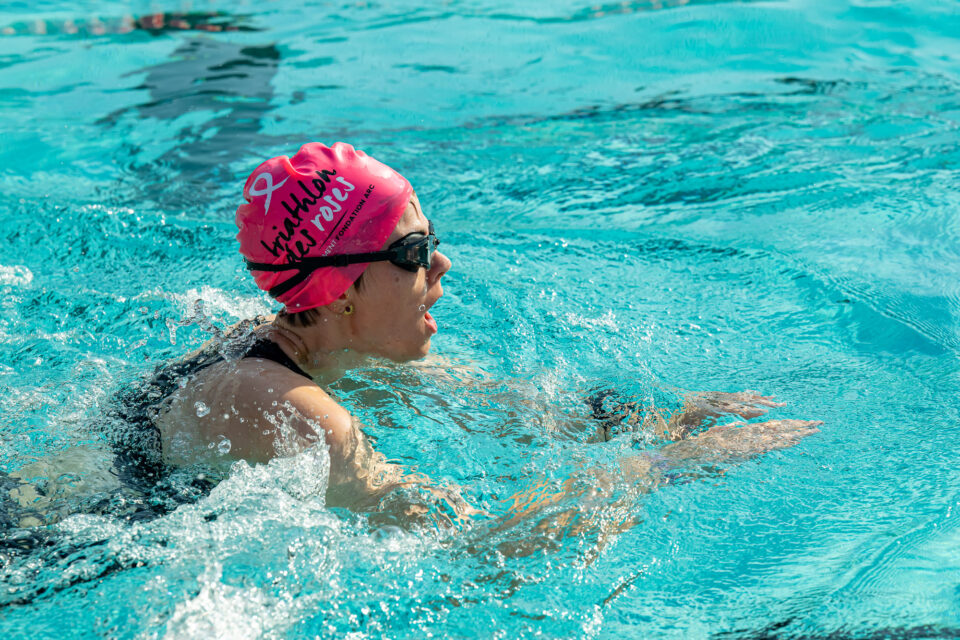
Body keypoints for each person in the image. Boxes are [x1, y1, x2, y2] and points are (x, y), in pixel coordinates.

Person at [104, 141, 818, 530]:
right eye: (413, 251)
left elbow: (505, 408)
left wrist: (668, 416)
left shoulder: (312, 344)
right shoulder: (296, 410)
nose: (441, 262)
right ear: (343, 289)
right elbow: (475, 546)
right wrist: (670, 468)